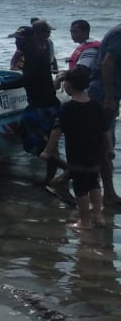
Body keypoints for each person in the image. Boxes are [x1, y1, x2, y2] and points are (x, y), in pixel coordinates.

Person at [0, 25, 66, 188]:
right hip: (45, 104)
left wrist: (0, 86)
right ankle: (54, 176)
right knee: (47, 144)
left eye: (20, 40)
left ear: (30, 40)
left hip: (42, 107)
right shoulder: (38, 53)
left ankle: (67, 170)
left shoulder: (33, 56)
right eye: (16, 39)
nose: (17, 42)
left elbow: (26, 80)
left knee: (33, 140)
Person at [41, 67, 108, 228]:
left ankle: (84, 222)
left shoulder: (67, 108)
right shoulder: (96, 105)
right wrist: (110, 149)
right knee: (94, 183)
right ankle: (98, 217)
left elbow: (56, 132)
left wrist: (47, 151)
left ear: (69, 86)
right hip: (96, 152)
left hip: (78, 154)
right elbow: (106, 129)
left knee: (80, 187)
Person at [86, 22, 121, 206]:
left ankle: (64, 179)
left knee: (98, 143)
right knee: (106, 145)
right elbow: (107, 64)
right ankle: (109, 194)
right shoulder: (120, 33)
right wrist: (109, 97)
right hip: (103, 93)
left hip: (109, 92)